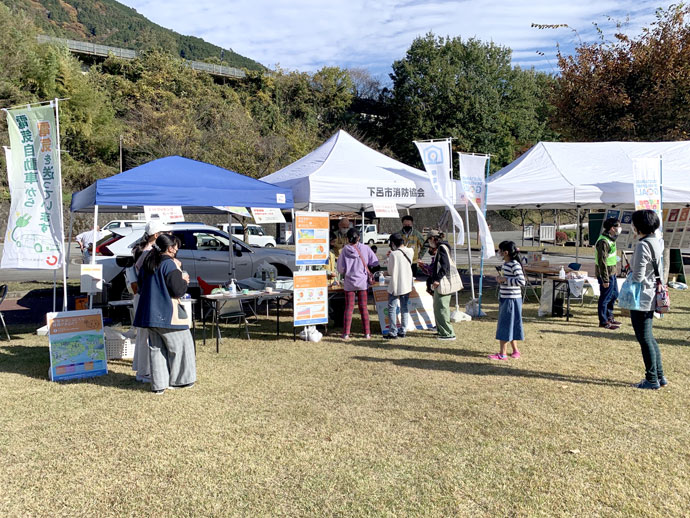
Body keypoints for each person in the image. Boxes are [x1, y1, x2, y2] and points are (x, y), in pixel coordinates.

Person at [133, 233, 196, 394]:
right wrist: (184, 279)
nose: (177, 249)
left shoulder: (148, 262)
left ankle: (159, 385)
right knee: (182, 346)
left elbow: (139, 286)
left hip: (149, 315)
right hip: (167, 313)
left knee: (157, 350)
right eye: (176, 246)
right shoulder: (170, 264)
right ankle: (181, 381)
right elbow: (177, 290)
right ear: (170, 248)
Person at [629, 210, 666, 390]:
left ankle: (652, 379)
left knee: (644, 338)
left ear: (639, 226)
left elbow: (638, 276)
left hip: (642, 297)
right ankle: (659, 375)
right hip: (651, 294)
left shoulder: (642, 245)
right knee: (649, 337)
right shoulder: (656, 241)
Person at [130, 220, 171, 383]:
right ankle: (143, 371)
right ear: (156, 235)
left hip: (141, 296)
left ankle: (141, 369)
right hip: (145, 296)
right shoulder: (149, 253)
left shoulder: (143, 250)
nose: (169, 236)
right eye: (165, 233)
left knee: (143, 334)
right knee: (146, 335)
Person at [337, 227, 379, 339]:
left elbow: (340, 269)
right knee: (363, 308)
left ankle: (346, 333)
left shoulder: (344, 250)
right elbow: (375, 262)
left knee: (349, 308)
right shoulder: (365, 248)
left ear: (347, 238)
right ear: (359, 237)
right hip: (362, 282)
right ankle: (367, 333)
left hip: (349, 282)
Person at [489, 241, 525, 360]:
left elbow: (521, 281)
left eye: (500, 250)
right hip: (507, 297)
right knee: (511, 324)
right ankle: (515, 350)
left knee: (505, 324)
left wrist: (504, 279)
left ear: (506, 252)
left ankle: (502, 353)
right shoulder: (507, 263)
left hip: (511, 299)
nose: (498, 253)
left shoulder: (514, 264)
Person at [425, 230, 456, 341]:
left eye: (429, 240)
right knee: (438, 308)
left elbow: (445, 266)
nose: (429, 243)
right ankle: (442, 331)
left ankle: (448, 333)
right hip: (442, 282)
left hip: (443, 282)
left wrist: (437, 279)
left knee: (442, 308)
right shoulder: (443, 247)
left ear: (433, 238)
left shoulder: (442, 248)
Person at [385, 233, 413, 339]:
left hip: (396, 284)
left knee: (392, 308)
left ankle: (393, 332)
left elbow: (390, 271)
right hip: (407, 283)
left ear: (393, 243)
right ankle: (403, 330)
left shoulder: (394, 254)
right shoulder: (410, 251)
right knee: (404, 307)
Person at [595, 218, 622, 329]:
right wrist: (605, 279)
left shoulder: (611, 239)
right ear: (612, 228)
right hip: (605, 274)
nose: (620, 229)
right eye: (618, 226)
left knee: (614, 295)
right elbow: (602, 262)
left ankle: (610, 316)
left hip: (612, 273)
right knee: (605, 298)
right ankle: (603, 321)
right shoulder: (603, 241)